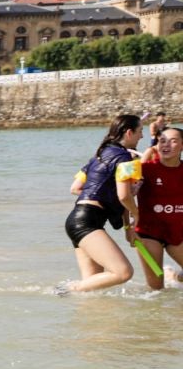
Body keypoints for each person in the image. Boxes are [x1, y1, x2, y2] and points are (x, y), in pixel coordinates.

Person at [63, 114, 144, 293]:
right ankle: (66, 290)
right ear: (129, 133)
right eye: (140, 132)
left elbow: (76, 187)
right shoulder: (126, 159)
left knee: (92, 287)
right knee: (123, 272)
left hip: (78, 218)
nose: (142, 137)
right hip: (87, 223)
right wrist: (136, 216)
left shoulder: (99, 155)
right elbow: (124, 196)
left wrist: (127, 227)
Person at [132, 125, 183, 289]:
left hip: (178, 232)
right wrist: (128, 226)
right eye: (162, 141)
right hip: (149, 233)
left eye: (173, 141)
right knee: (156, 290)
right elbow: (121, 196)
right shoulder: (144, 169)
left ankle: (174, 275)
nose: (166, 145)